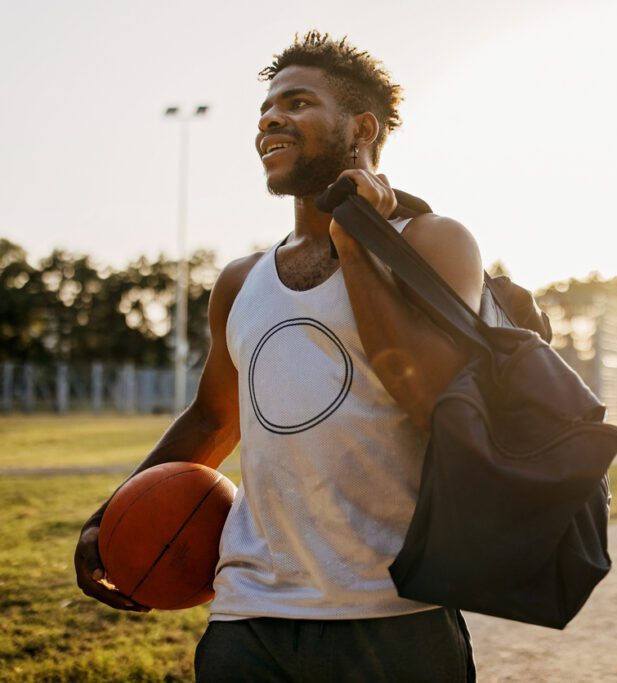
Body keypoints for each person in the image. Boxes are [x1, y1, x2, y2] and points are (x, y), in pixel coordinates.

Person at [74, 31, 483, 681]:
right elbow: (212, 419)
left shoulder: (432, 242)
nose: (270, 118)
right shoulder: (241, 281)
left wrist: (356, 245)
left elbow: (431, 402)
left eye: (296, 103)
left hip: (393, 614)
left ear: (361, 127)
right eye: (265, 108)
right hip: (249, 619)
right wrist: (112, 513)